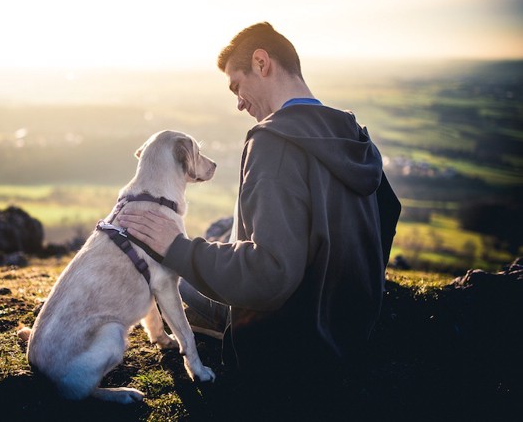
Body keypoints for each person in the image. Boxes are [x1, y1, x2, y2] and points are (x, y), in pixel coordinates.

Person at [119, 22, 400, 377]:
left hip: (294, 346)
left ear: (262, 62)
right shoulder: (353, 134)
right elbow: (387, 215)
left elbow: (270, 275)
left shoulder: (272, 142)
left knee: (182, 283)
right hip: (350, 328)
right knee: (220, 249)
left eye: (237, 85)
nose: (238, 103)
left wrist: (178, 248)